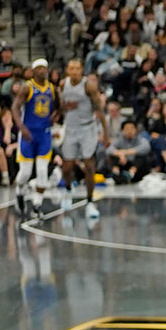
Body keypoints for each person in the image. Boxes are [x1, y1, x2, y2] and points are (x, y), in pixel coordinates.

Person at [60, 58, 109, 219]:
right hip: (70, 128)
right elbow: (60, 107)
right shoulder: (63, 85)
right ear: (67, 70)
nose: (74, 71)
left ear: (82, 70)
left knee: (89, 166)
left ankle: (90, 202)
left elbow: (99, 109)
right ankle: (68, 191)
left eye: (77, 68)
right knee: (66, 167)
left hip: (88, 128)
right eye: (71, 68)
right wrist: (64, 108)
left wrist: (106, 133)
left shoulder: (89, 86)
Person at [10, 57, 59, 214]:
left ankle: (37, 204)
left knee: (43, 170)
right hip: (28, 133)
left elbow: (61, 105)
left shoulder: (52, 88)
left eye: (44, 68)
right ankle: (19, 191)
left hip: (44, 133)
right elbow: (15, 108)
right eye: (39, 68)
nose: (42, 71)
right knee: (25, 172)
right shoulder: (27, 87)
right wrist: (21, 127)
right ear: (33, 71)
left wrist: (56, 115)